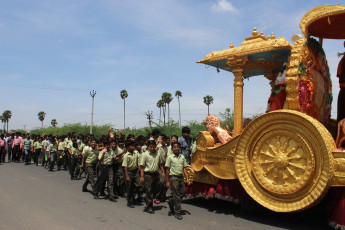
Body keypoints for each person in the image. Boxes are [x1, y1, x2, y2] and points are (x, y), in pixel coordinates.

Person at [165, 141, 190, 220]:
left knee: (183, 192)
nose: (176, 149)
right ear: (172, 149)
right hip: (173, 177)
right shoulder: (170, 157)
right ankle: (177, 212)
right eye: (174, 147)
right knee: (176, 194)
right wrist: (167, 181)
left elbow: (184, 168)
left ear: (180, 148)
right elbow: (167, 170)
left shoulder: (182, 157)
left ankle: (171, 202)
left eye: (178, 147)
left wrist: (187, 178)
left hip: (180, 177)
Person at [139, 140, 164, 214]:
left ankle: (147, 198)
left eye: (153, 147)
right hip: (148, 174)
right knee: (149, 190)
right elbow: (142, 166)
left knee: (156, 188)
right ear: (148, 147)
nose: (152, 148)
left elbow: (161, 164)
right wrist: (142, 176)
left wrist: (163, 172)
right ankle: (149, 206)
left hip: (155, 173)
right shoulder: (145, 154)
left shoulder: (158, 154)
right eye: (151, 147)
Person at [122, 140, 140, 208]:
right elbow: (125, 166)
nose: (133, 147)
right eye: (131, 146)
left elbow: (138, 161)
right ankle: (129, 201)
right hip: (129, 172)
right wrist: (127, 176)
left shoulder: (136, 153)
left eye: (133, 146)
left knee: (139, 185)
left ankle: (132, 196)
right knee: (129, 187)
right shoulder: (126, 155)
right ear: (127, 147)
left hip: (135, 171)